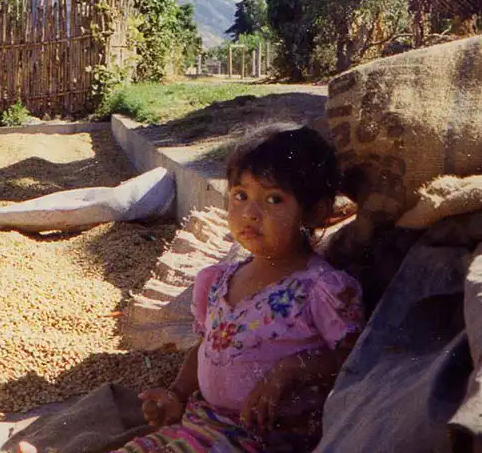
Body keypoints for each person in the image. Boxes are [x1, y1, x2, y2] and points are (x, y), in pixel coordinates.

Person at [116, 122, 365, 453]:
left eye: (274, 199)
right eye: (240, 195)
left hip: (265, 438)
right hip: (203, 423)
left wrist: (290, 370)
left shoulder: (320, 289)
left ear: (315, 211)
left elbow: (353, 357)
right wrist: (176, 394)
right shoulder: (219, 281)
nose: (250, 213)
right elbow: (206, 346)